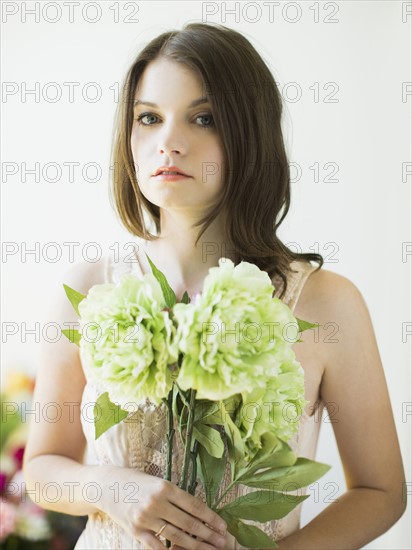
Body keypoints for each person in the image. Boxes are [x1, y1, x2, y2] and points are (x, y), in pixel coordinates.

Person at [23, 22, 406, 549]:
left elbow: (382, 490)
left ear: (248, 133)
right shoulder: (89, 289)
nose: (169, 143)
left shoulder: (327, 302)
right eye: (149, 118)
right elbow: (42, 468)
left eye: (203, 118)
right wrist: (105, 486)